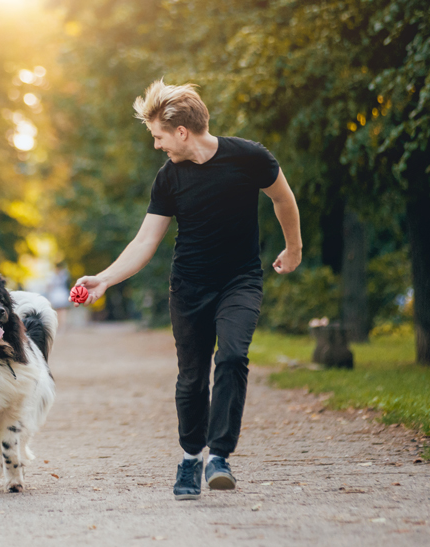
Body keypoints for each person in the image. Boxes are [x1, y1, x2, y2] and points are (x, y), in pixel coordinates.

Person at [72, 80, 302, 500]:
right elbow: (145, 241)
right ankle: (191, 457)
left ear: (181, 132)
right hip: (190, 287)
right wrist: (104, 278)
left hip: (240, 281)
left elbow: (282, 199)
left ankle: (219, 457)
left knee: (232, 356)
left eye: (158, 136)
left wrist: (294, 248)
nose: (156, 145)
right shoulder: (169, 178)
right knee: (192, 378)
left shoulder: (250, 157)